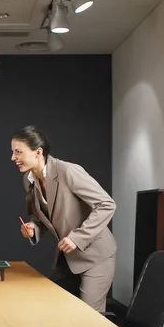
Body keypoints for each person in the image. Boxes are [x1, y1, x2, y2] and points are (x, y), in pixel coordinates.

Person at [11, 125, 116, 312]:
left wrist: (78, 237)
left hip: (96, 257)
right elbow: (42, 216)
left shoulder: (68, 171)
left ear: (38, 152)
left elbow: (107, 204)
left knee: (89, 318)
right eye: (13, 152)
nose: (13, 158)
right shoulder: (29, 180)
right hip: (68, 258)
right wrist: (33, 228)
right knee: (51, 308)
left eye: (18, 152)